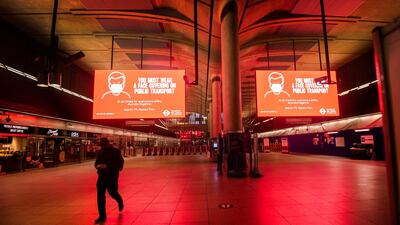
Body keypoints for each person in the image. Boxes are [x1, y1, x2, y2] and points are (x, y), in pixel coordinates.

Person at [94, 138, 124, 224]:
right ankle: (102, 216)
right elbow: (96, 163)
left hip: (112, 177)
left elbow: (120, 165)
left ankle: (119, 201)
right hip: (101, 177)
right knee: (100, 197)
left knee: (112, 192)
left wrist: (107, 166)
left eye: (102, 145)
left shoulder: (115, 151)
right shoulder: (100, 152)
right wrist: (98, 166)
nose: (101, 147)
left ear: (106, 144)